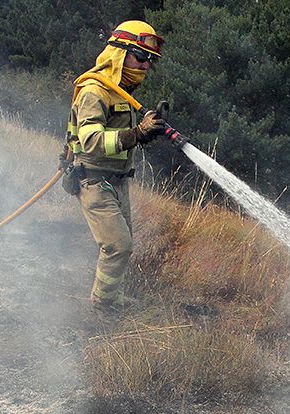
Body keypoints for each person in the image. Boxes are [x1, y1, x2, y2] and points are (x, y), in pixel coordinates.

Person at [67, 20, 169, 311]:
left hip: (116, 181)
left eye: (150, 60)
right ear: (119, 54)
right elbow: (91, 141)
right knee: (117, 246)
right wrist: (136, 134)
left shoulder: (119, 92)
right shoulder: (94, 92)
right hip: (94, 182)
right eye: (141, 56)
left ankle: (113, 298)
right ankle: (103, 308)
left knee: (123, 246)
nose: (146, 65)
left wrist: (143, 135)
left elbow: (118, 136)